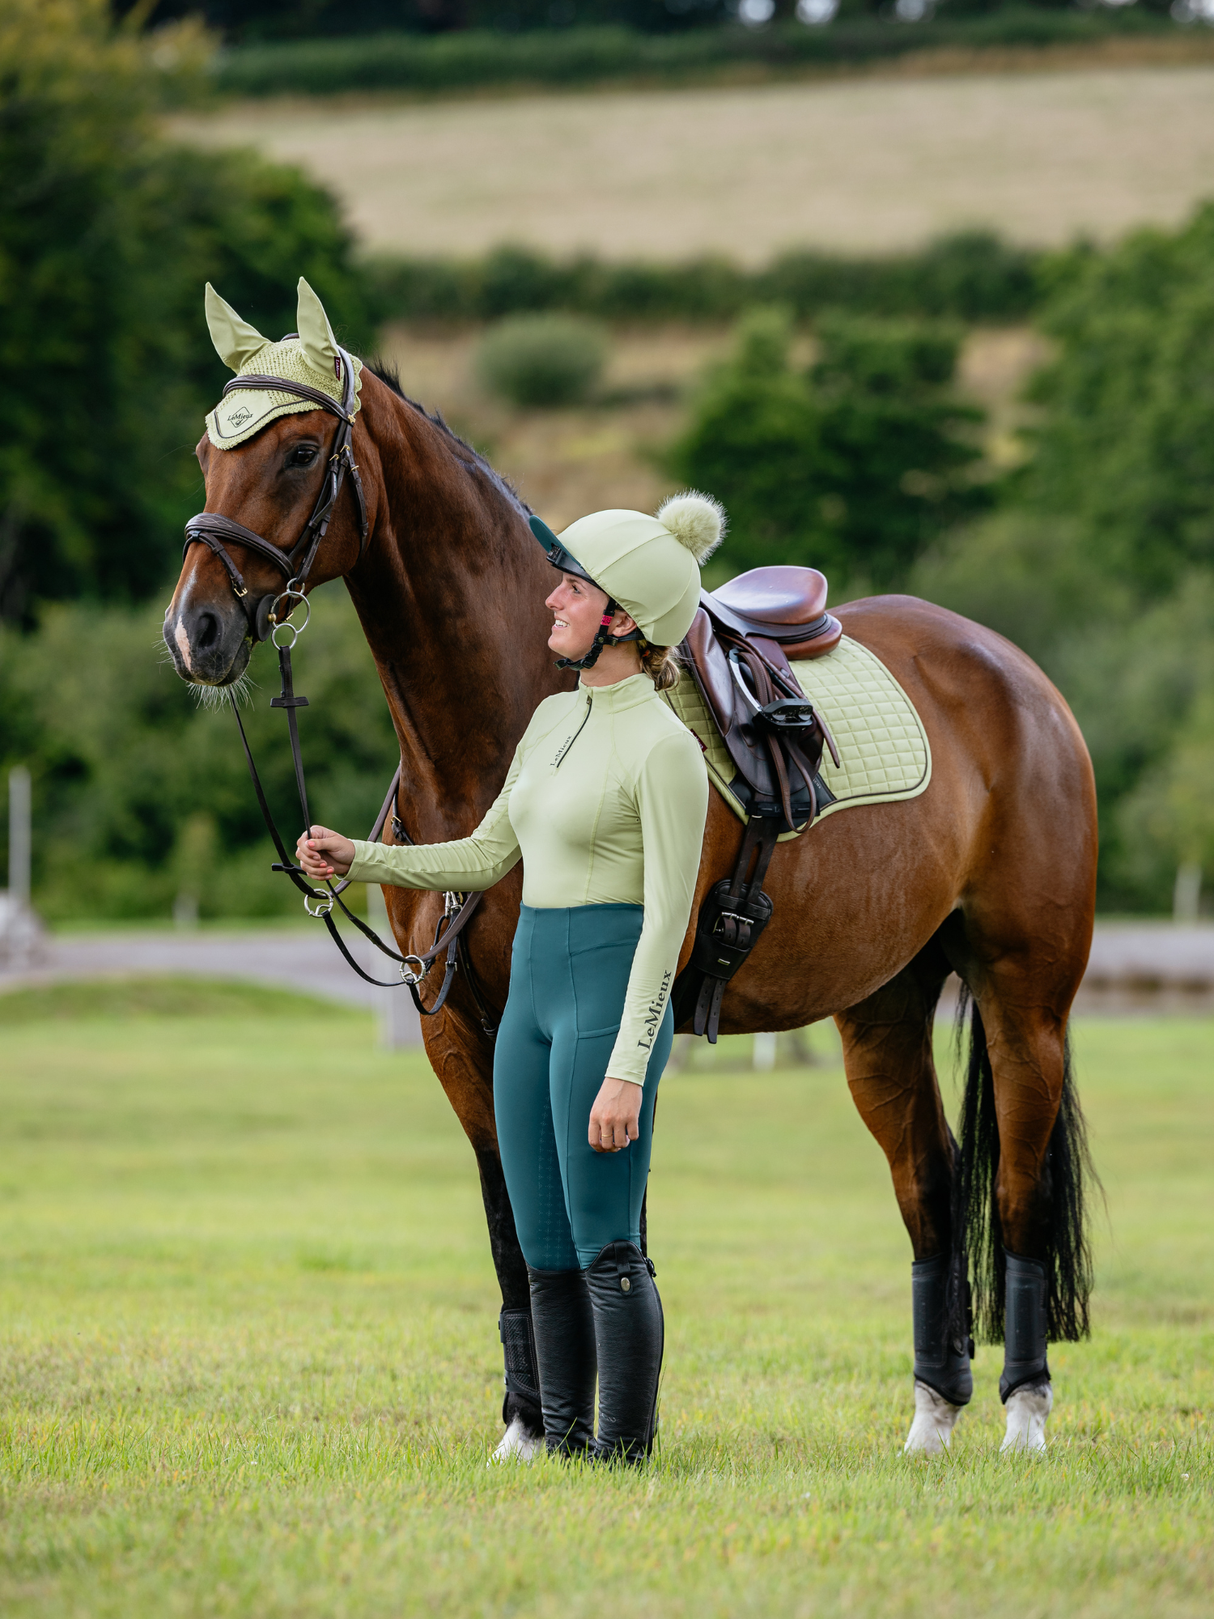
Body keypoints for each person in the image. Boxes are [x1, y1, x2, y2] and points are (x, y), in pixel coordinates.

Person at [295, 493, 724, 1462]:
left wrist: (627, 1067)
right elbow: (485, 855)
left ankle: (623, 1451)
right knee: (541, 1242)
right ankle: (563, 1443)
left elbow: (669, 922)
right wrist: (361, 856)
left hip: (606, 999)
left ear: (621, 617)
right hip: (531, 994)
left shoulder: (666, 749)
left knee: (606, 1240)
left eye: (572, 587)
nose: (550, 600)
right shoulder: (550, 719)